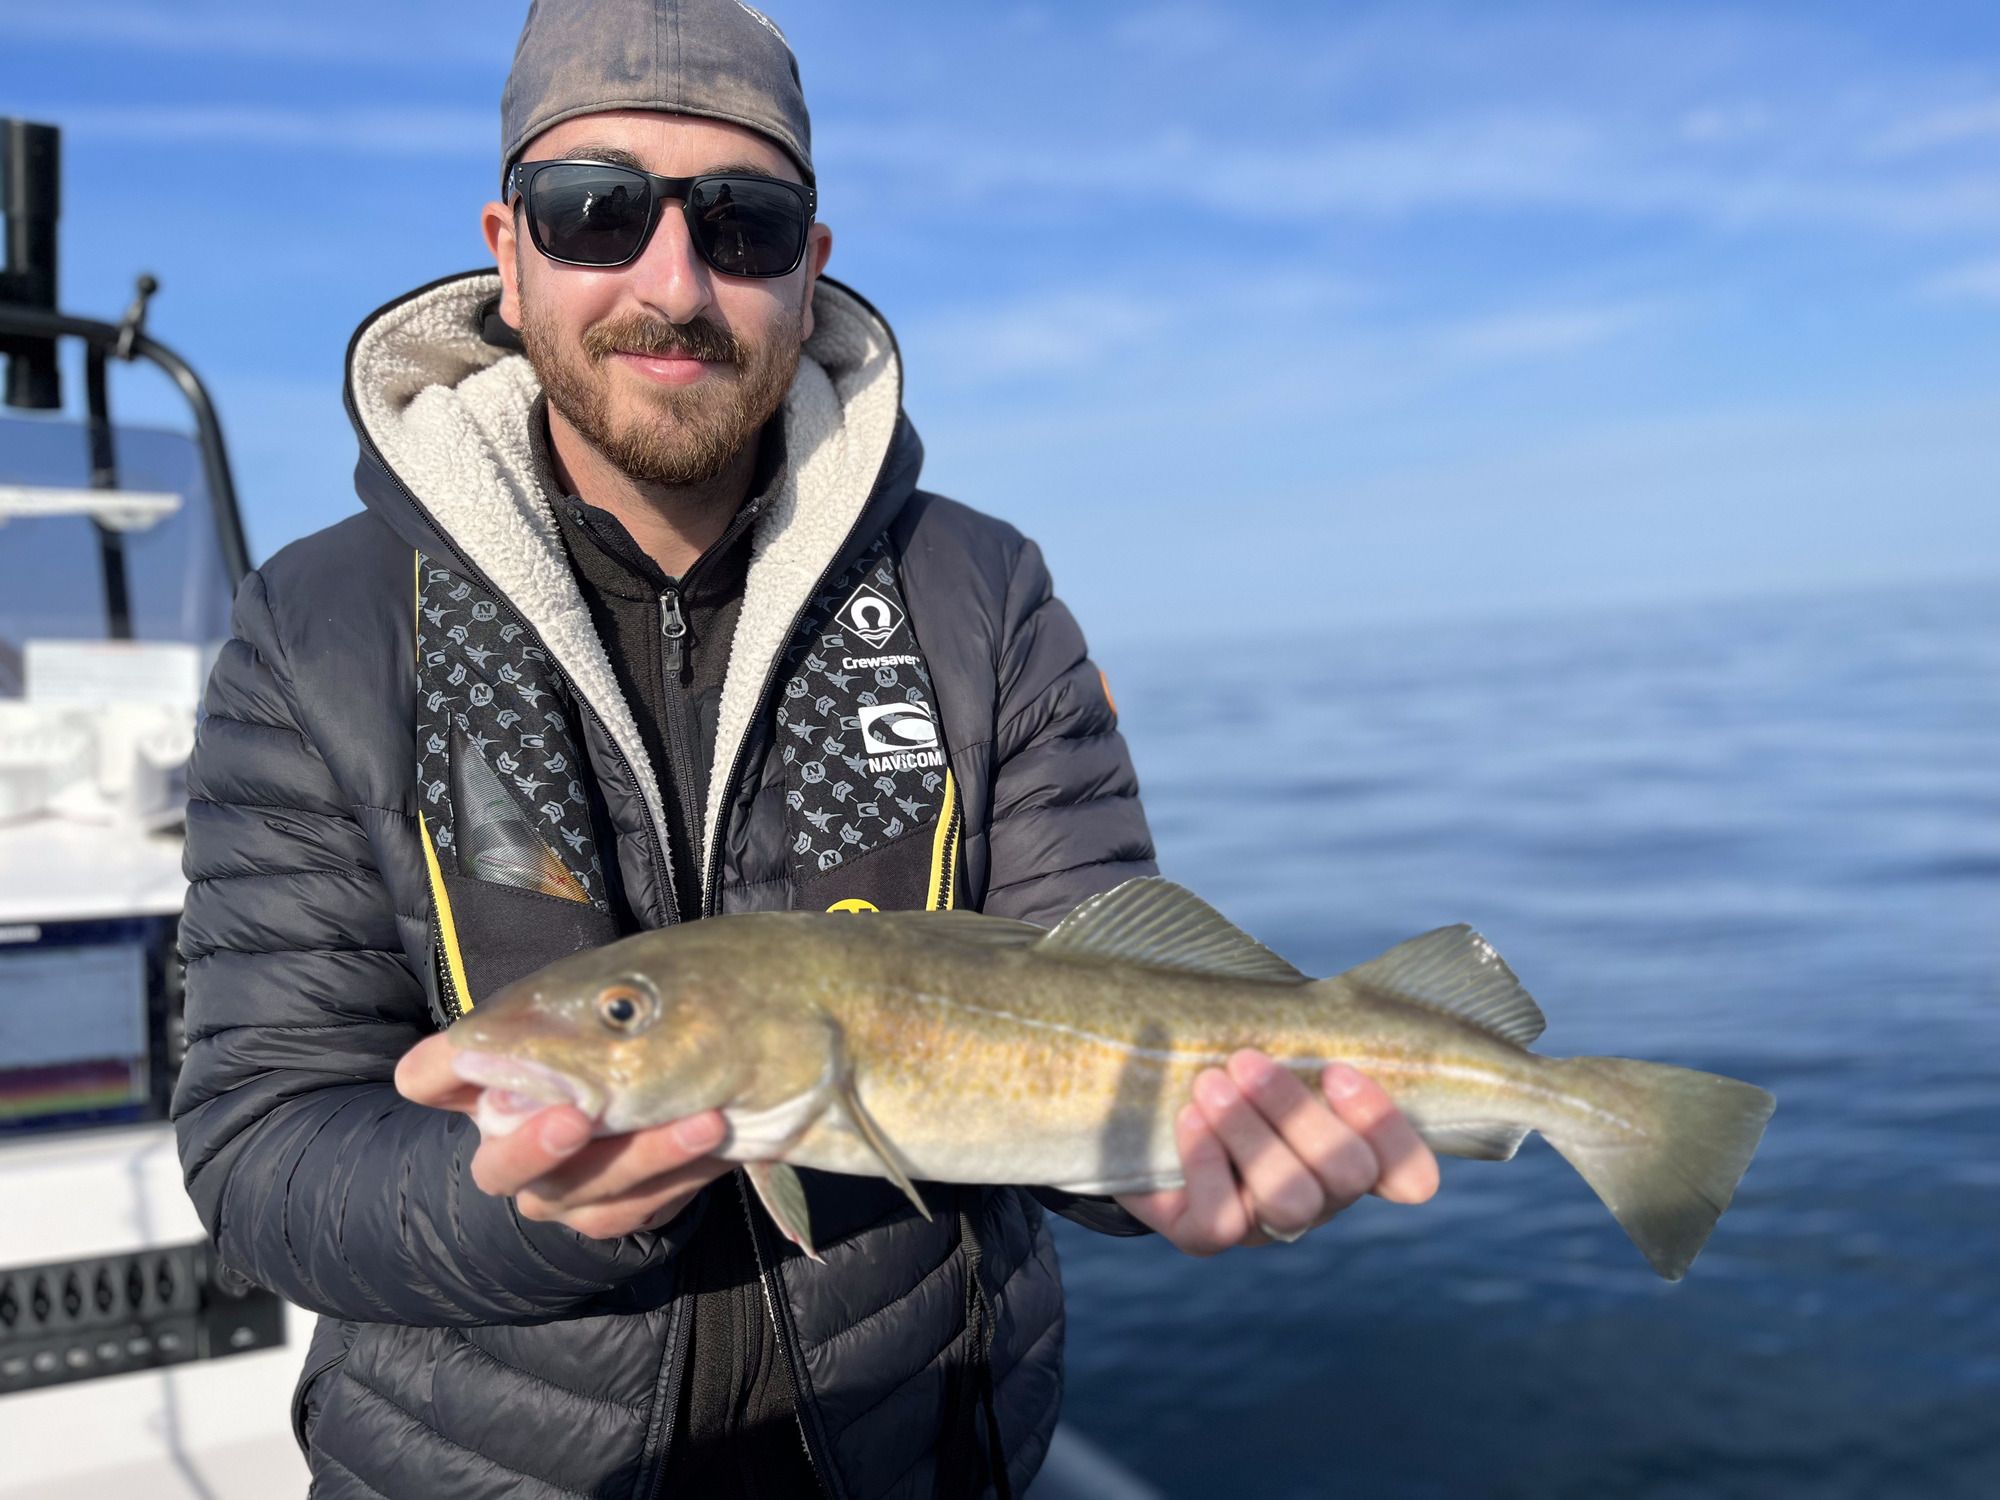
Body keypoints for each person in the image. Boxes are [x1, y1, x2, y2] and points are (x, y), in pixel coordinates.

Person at [168, 2, 1439, 1495]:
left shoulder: (981, 590)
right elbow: (260, 1144)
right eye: (597, 213)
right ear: (507, 254)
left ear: (811, 264)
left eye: (744, 224)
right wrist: (516, 1205)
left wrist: (1174, 1163)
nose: (673, 280)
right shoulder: (317, 623)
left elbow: (1096, 981)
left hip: (926, 1452)